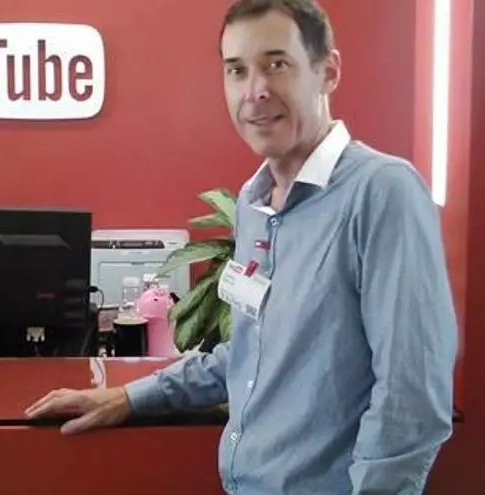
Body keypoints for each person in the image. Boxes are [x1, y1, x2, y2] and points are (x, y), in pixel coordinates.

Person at [25, 0, 458, 493]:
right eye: (237, 70)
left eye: (277, 64)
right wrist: (129, 397)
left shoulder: (381, 192)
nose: (255, 91)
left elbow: (411, 395)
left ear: (328, 71)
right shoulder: (255, 203)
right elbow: (250, 354)